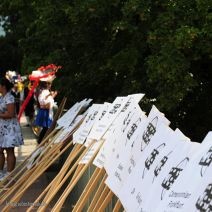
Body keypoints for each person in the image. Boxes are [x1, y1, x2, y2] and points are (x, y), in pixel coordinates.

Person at [0, 77, 24, 181]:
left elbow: (10, 114)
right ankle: (1, 173)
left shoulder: (9, 97)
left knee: (9, 150)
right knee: (0, 150)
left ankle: (9, 174)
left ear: (3, 86)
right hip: (2, 128)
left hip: (10, 128)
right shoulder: (2, 97)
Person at [34, 77, 57, 144]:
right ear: (46, 84)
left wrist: (52, 95)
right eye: (50, 84)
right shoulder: (43, 91)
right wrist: (49, 96)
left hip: (46, 111)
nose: (51, 85)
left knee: (46, 129)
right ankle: (41, 143)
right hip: (45, 112)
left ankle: (42, 143)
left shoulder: (43, 91)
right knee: (46, 129)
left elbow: (46, 101)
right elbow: (45, 103)